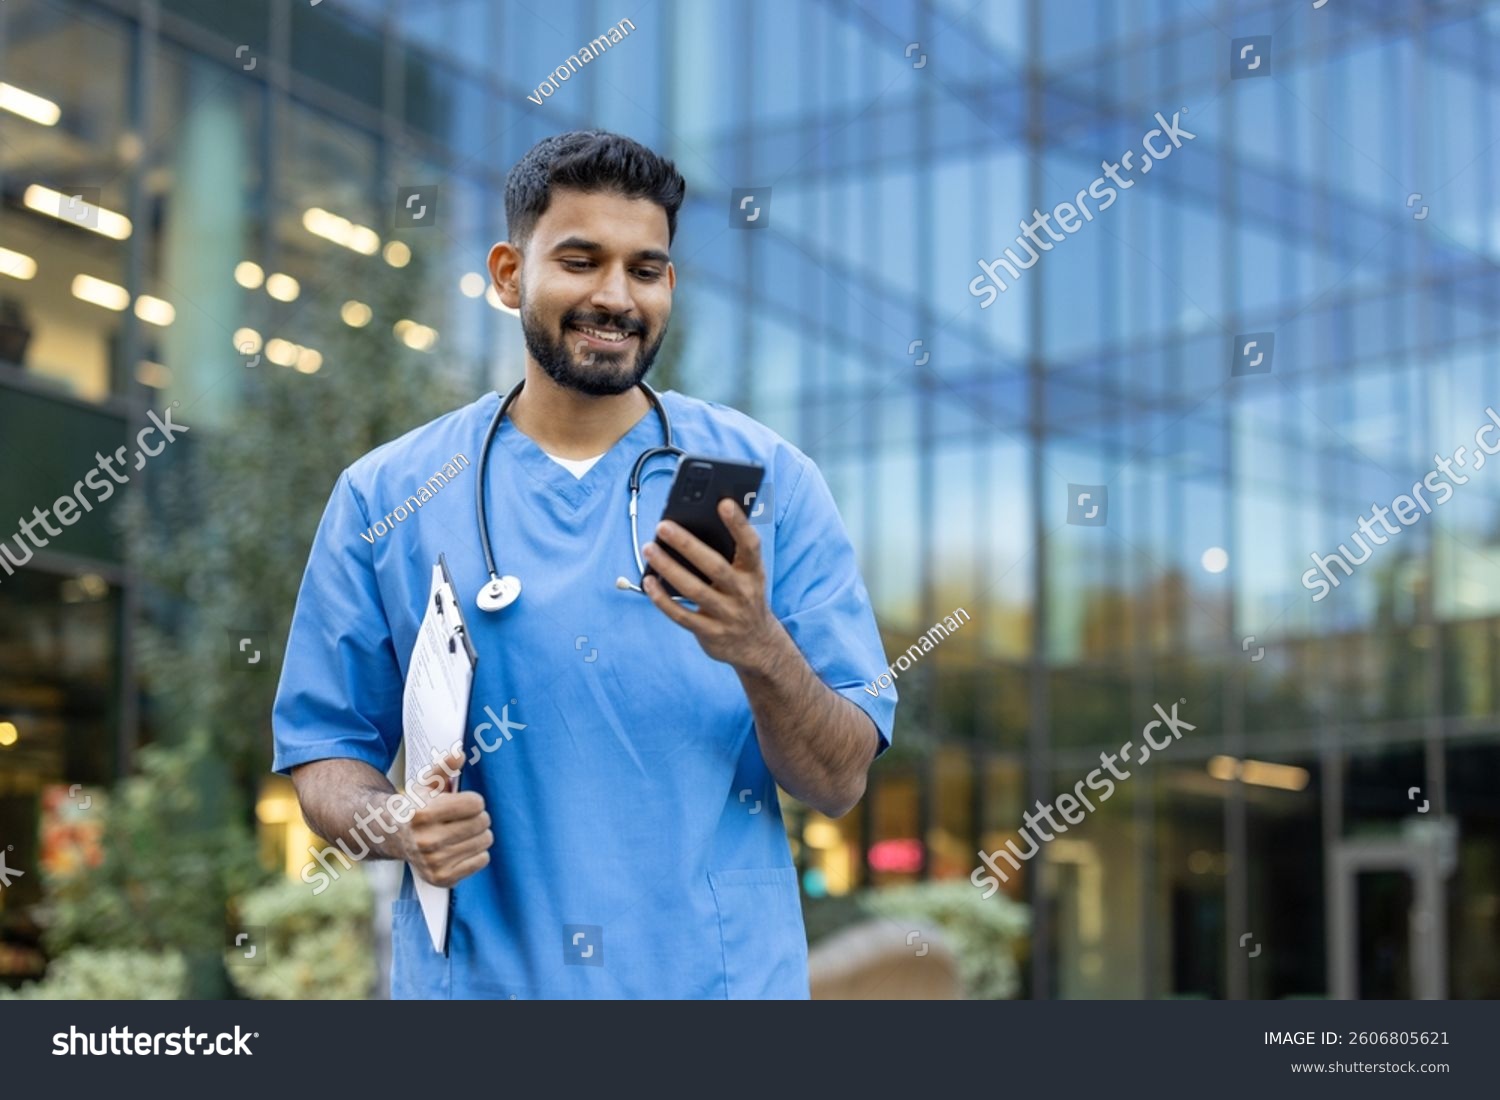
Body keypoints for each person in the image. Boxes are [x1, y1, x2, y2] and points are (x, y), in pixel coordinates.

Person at [272, 130, 896, 999]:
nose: (615, 296)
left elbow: (838, 781)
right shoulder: (389, 495)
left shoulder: (768, 483)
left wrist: (759, 645)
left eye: (645, 269)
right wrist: (396, 822)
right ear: (507, 274)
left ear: (669, 284)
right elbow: (326, 753)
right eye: (579, 259)